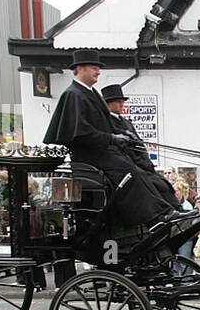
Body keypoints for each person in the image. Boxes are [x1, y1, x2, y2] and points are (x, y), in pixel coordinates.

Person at [42, 49, 178, 229]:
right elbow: (81, 132)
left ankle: (167, 210)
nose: (98, 72)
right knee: (128, 171)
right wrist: (113, 138)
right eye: (94, 68)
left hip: (103, 150)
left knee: (142, 172)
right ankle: (150, 219)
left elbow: (105, 125)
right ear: (80, 69)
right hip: (90, 155)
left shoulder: (90, 93)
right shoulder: (74, 94)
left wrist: (123, 136)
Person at [100, 83, 181, 210]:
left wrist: (147, 163)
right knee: (152, 184)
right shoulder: (106, 123)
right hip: (128, 165)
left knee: (163, 183)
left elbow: (139, 144)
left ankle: (177, 210)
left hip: (141, 163)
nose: (122, 105)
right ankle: (163, 213)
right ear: (107, 104)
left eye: (122, 101)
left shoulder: (126, 122)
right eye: (118, 102)